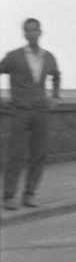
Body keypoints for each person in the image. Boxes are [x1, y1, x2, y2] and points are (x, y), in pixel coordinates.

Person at [0, 18, 60, 210]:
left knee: (39, 154)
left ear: (40, 32)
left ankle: (30, 193)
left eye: (35, 30)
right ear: (24, 34)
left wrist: (55, 97)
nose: (32, 33)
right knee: (15, 154)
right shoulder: (14, 56)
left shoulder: (48, 57)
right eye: (28, 31)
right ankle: (9, 196)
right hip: (19, 111)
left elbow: (56, 75)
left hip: (40, 112)